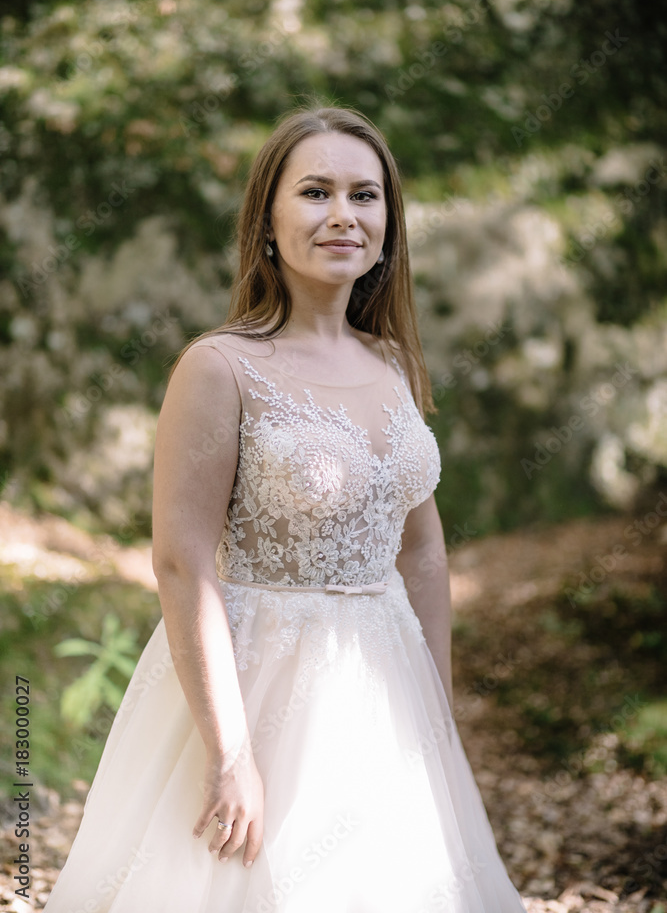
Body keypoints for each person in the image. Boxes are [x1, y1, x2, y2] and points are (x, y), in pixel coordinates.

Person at [44, 105, 527, 912]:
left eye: (364, 196)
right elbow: (181, 558)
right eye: (315, 192)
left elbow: (423, 553)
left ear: (387, 226)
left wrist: (436, 713)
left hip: (385, 684)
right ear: (267, 222)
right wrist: (230, 751)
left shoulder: (393, 363)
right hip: (254, 681)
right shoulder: (219, 367)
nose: (343, 215)